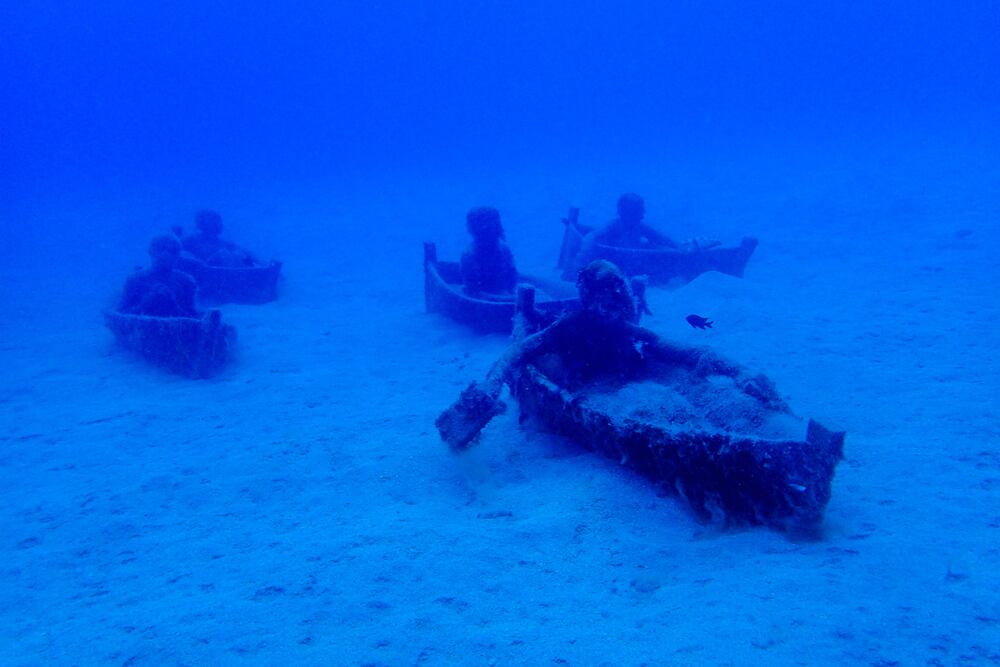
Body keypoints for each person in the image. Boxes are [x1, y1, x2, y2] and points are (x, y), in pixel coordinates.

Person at [436, 260, 783, 450]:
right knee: (662, 412)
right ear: (589, 298)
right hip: (588, 388)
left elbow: (685, 350)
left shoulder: (622, 328)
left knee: (683, 397)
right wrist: (490, 388)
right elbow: (517, 352)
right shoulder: (570, 327)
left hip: (617, 382)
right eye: (609, 294)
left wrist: (740, 372)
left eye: (620, 291)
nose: (619, 302)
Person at [119, 235, 199, 317]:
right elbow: (120, 314)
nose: (165, 254)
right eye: (160, 248)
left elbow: (193, 317)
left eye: (172, 250)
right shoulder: (134, 280)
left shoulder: (186, 282)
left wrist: (173, 305)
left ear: (178, 256)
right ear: (150, 252)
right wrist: (144, 305)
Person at [460, 206, 518, 297]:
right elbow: (472, 290)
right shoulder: (469, 255)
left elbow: (512, 277)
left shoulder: (469, 254)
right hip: (497, 297)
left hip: (498, 297)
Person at [179, 209, 257, 267]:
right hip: (199, 275)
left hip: (220, 277)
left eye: (219, 221)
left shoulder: (224, 243)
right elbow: (177, 252)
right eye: (214, 221)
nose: (219, 224)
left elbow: (245, 253)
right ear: (202, 224)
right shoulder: (191, 240)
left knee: (239, 254)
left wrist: (264, 263)